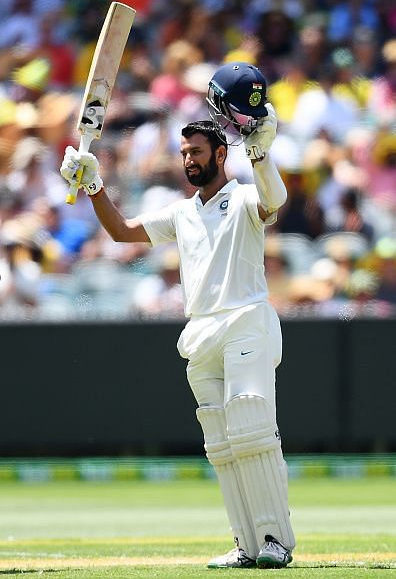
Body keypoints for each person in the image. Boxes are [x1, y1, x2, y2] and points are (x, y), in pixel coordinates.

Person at [60, 62, 295, 569]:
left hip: (247, 320)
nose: (189, 159)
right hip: (201, 330)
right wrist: (93, 182)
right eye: (184, 152)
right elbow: (123, 232)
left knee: (251, 427)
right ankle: (245, 544)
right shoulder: (182, 212)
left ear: (221, 153)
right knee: (221, 443)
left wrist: (261, 151)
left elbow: (275, 201)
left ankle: (276, 540)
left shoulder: (246, 196)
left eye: (197, 151)